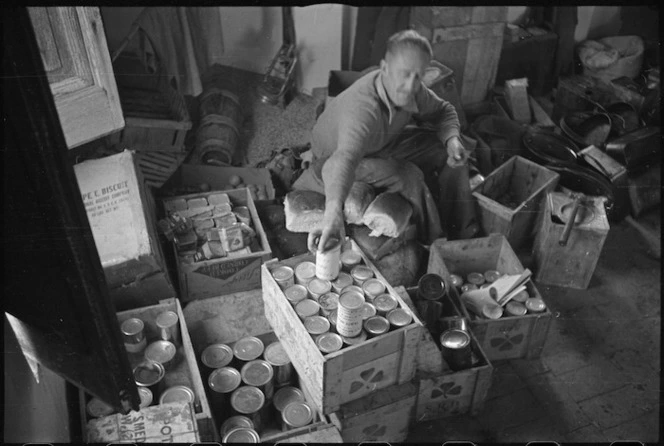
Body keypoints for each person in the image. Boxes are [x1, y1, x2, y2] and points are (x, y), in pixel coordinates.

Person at [292, 29, 479, 254]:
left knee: (451, 152)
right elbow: (342, 162)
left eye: (417, 76)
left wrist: (452, 141)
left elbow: (443, 110)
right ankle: (433, 245)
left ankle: (464, 230)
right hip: (333, 158)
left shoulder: (414, 89)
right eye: (404, 74)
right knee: (408, 175)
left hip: (381, 142)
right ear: (384, 69)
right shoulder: (361, 111)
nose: (410, 85)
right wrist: (333, 215)